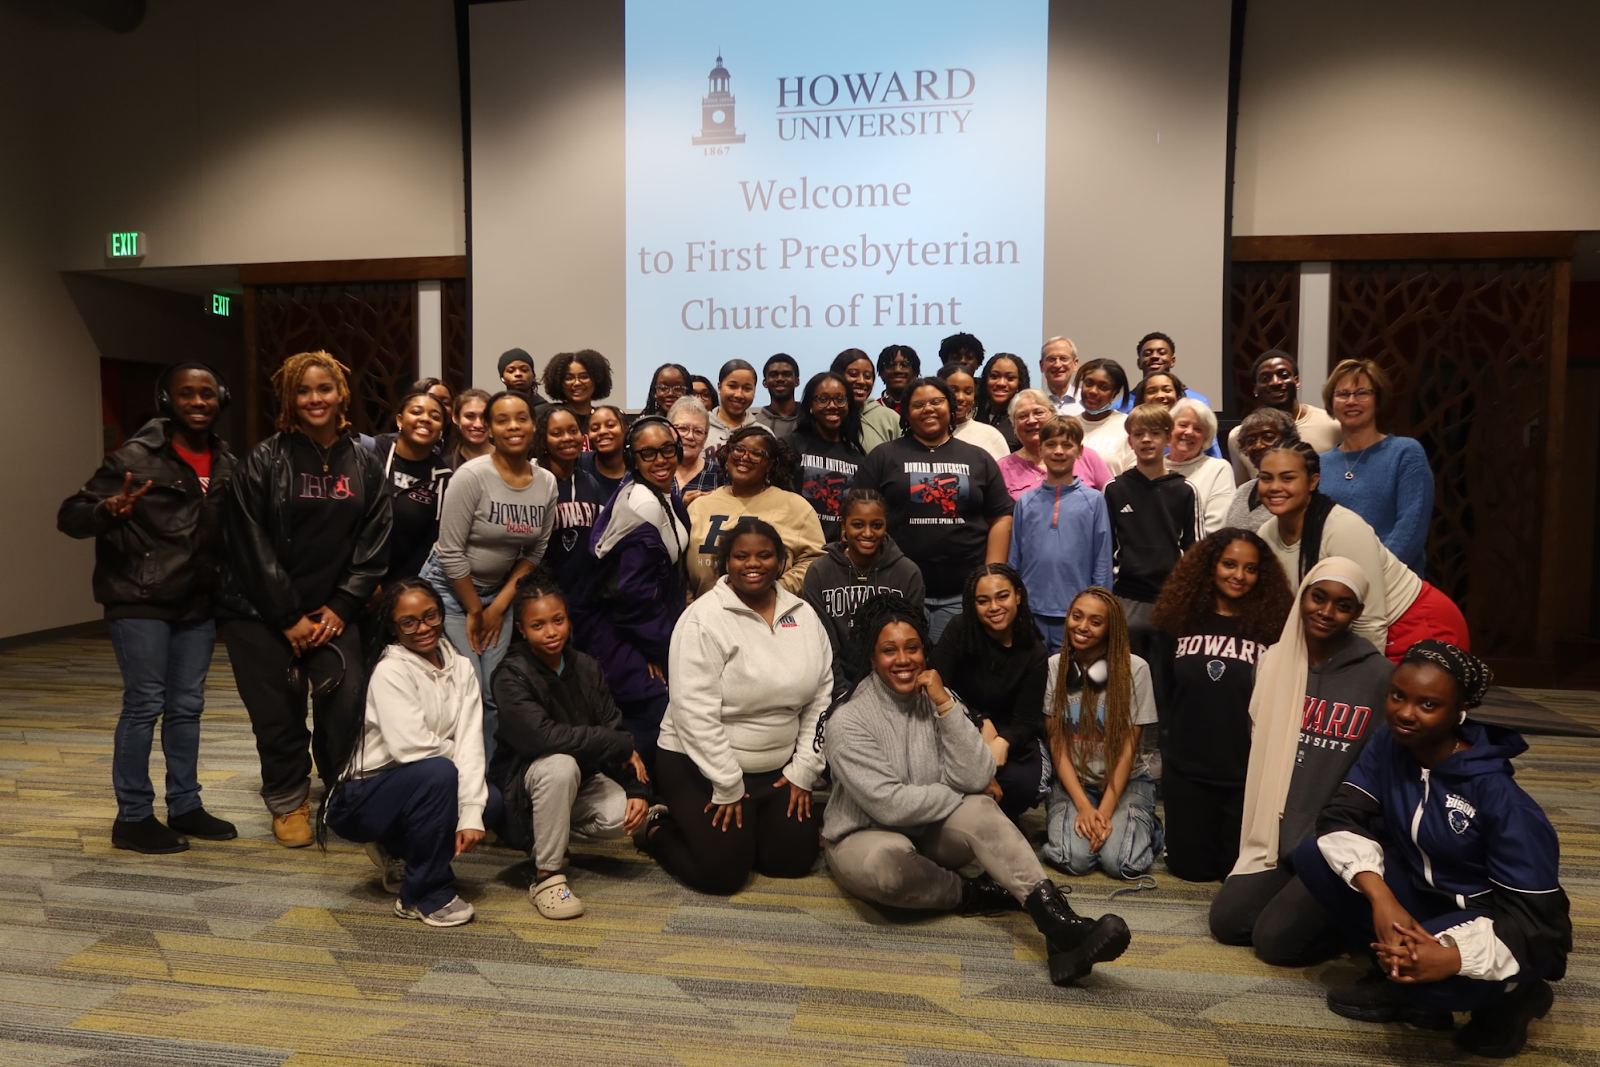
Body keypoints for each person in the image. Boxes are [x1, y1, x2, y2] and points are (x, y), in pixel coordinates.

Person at [819, 593, 1133, 986]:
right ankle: (975, 894)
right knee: (888, 866)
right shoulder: (848, 720)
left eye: (913, 648)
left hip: (927, 827)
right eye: (889, 650)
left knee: (983, 812)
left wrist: (945, 707)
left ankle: (1060, 926)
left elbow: (978, 771)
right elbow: (890, 805)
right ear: (871, 656)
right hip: (862, 835)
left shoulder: (938, 698)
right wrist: (958, 795)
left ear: (925, 651)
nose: (903, 660)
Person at [1300, 641, 1570, 1058]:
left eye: (1428, 704)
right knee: (1313, 855)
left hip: (1493, 920)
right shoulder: (1388, 744)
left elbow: (1541, 927)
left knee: (1430, 980)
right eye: (1397, 696)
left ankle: (1515, 995)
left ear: (1458, 711)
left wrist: (1450, 958)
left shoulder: (1502, 798)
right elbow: (1342, 816)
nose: (1406, 713)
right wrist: (1381, 897)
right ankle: (1396, 972)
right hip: (1419, 894)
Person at [58, 361, 239, 854]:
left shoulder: (227, 462)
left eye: (207, 394)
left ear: (221, 398)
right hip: (139, 598)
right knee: (145, 706)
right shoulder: (134, 456)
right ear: (168, 401)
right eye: (187, 394)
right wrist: (105, 510)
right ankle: (133, 817)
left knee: (186, 709)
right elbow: (70, 516)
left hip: (197, 602)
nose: (198, 402)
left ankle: (185, 804)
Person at [218, 351, 391, 847]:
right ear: (289, 399)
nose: (315, 399)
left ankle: (339, 792)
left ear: (342, 395)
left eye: (325, 389)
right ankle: (289, 798)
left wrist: (341, 606)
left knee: (346, 702)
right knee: (277, 711)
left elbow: (374, 542)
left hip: (336, 612)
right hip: (260, 615)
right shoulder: (263, 460)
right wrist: (289, 616)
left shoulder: (364, 461)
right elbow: (249, 546)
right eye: (304, 391)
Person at [1207, 558, 1392, 965]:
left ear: (1357, 613)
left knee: (1274, 944)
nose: (1327, 612)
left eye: (1343, 605)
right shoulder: (1274, 662)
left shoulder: (1380, 677)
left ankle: (1351, 929)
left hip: (1332, 842)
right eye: (1318, 598)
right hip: (1278, 836)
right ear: (1302, 597)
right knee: (1228, 921)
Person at [642, 519, 832, 895]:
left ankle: (748, 828)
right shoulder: (703, 618)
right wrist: (727, 782)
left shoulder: (804, 615)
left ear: (781, 561)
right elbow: (693, 712)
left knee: (791, 861)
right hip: (700, 765)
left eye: (764, 555)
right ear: (725, 562)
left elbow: (821, 696)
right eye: (741, 556)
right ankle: (657, 827)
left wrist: (803, 771)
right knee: (722, 875)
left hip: (776, 769)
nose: (753, 564)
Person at [325, 578, 485, 928]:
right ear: (392, 628)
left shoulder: (461, 667)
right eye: (408, 622)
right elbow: (413, 748)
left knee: (491, 802)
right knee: (440, 773)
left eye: (430, 616)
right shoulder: (391, 670)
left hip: (414, 784)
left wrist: (473, 811)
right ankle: (423, 895)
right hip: (360, 797)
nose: (423, 628)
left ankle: (397, 846)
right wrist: (459, 756)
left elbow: (472, 737)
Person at [490, 571, 650, 919]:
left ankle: (553, 832)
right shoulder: (510, 674)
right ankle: (547, 875)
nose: (550, 632)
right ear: (521, 629)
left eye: (558, 620)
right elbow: (542, 739)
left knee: (625, 815)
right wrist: (616, 743)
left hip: (579, 781)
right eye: (538, 625)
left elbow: (612, 726)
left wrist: (636, 789)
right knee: (560, 763)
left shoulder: (586, 666)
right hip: (526, 787)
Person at [1148, 529, 1293, 881]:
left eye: (1250, 568)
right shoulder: (1177, 619)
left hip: (1244, 773)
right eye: (1229, 564)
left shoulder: (1274, 628)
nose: (1239, 576)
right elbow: (1164, 694)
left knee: (1235, 872)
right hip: (1187, 770)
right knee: (1190, 871)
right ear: (1210, 565)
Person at [420, 390, 556, 766]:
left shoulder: (545, 482)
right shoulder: (472, 476)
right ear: (491, 430)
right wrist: (473, 608)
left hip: (499, 595)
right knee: (469, 689)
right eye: (502, 420)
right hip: (449, 591)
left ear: (533, 426)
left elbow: (535, 552)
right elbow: (448, 550)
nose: (513, 426)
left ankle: (489, 780)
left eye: (521, 419)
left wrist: (496, 606)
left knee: (496, 690)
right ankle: (457, 778)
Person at [1255, 442, 1468, 660]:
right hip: (1348, 635)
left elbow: (1370, 621)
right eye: (1266, 478)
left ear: (1313, 481)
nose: (1274, 487)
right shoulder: (1266, 534)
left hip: (1411, 624)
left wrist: (1360, 683)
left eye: (1287, 478)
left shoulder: (1343, 528)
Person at [851, 376, 1014, 643]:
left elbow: (1001, 516)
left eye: (936, 402)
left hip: (962, 592)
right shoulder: (883, 456)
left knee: (951, 673)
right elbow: (859, 516)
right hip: (896, 589)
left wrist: (991, 575)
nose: (928, 408)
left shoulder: (977, 457)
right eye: (918, 404)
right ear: (905, 412)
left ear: (950, 408)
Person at [575, 416, 691, 773]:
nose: (660, 460)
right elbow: (632, 594)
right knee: (656, 713)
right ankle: (635, 801)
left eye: (667, 450)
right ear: (633, 459)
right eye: (648, 454)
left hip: (641, 631)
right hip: (621, 636)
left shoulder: (661, 495)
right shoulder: (642, 505)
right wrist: (657, 649)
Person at [1040, 588, 1163, 879]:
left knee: (1121, 864)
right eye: (1077, 616)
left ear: (1111, 629)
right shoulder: (1055, 667)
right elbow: (1056, 744)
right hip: (1074, 783)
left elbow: (1129, 748)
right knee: (1076, 861)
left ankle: (1150, 829)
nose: (1082, 627)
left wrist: (1105, 811)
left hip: (1126, 781)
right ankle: (1106, 827)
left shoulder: (1136, 669)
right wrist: (1083, 807)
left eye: (1095, 622)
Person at [930, 565, 1050, 820]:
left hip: (1009, 733)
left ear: (1017, 595)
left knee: (1022, 784)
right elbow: (937, 687)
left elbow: (1027, 719)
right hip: (958, 724)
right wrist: (977, 721)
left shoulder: (1035, 651)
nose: (994, 607)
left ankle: (999, 818)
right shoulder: (959, 630)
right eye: (983, 601)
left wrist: (1003, 741)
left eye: (1002, 596)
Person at [802, 488, 925, 696]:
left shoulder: (907, 572)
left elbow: (912, 639)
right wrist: (841, 693)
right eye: (858, 525)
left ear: (885, 527)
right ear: (844, 527)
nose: (868, 533)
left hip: (891, 679)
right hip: (836, 679)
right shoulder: (820, 571)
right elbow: (823, 642)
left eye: (876, 525)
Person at [1317, 358, 1433, 576]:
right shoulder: (1319, 464)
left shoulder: (1405, 453)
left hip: (1394, 584)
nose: (1352, 401)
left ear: (1377, 400)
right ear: (1331, 402)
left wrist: (1369, 575)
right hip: (1332, 588)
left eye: (1362, 393)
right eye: (1343, 394)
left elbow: (1411, 528)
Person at [1008, 416, 1113, 653]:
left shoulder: (1094, 500)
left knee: (1071, 683)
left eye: (1067, 445)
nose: (1058, 451)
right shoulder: (1026, 501)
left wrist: (1099, 607)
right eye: (1051, 444)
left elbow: (1103, 560)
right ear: (1041, 449)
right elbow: (1014, 559)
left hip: (1077, 615)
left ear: (1079, 451)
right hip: (1031, 610)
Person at [687, 425, 824, 599]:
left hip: (769, 613)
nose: (744, 457)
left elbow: (815, 561)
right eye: (739, 449)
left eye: (757, 454)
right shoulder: (699, 505)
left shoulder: (795, 506)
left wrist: (776, 590)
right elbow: (681, 568)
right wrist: (691, 605)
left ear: (770, 464)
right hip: (705, 614)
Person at [1102, 404, 1201, 628]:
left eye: (1155, 433)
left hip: (1171, 598)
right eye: (1139, 434)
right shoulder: (1114, 489)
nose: (1147, 440)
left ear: (1168, 439)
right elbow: (1105, 549)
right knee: (1127, 663)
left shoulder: (1185, 490)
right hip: (1126, 597)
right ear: (1130, 441)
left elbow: (1195, 550)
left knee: (1167, 663)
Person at [372, 389, 452, 587]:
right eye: (416, 412)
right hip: (352, 575)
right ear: (399, 420)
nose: (425, 419)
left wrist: (391, 588)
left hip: (401, 585)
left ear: (441, 430)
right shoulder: (372, 453)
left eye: (435, 417)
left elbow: (429, 544)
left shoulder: (444, 479)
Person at [1225, 350, 1341, 483]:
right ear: (1255, 389)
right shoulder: (1239, 437)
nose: (1275, 382)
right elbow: (1243, 493)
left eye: (1284, 375)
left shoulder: (1332, 425)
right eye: (1265, 379)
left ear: (1297, 381)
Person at [536, 405, 607, 595]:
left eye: (573, 431)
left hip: (584, 597)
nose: (567, 438)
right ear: (544, 440)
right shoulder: (534, 481)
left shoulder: (590, 482)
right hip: (543, 595)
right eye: (557, 433)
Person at [787, 371, 865, 541]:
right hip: (796, 546)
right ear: (810, 405)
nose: (832, 406)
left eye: (839, 399)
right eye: (823, 399)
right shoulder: (790, 445)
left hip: (838, 554)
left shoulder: (858, 459)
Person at [998, 389, 1113, 500]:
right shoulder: (1002, 468)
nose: (1031, 420)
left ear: (1053, 415)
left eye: (1038, 412)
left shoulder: (1087, 456)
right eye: (1022, 416)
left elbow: (1112, 498)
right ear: (1014, 425)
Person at [1223, 407, 1299, 531]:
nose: (1258, 445)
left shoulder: (1297, 490)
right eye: (1251, 441)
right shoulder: (1243, 491)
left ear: (1288, 440)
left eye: (1268, 437)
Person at [1167, 398, 1235, 536]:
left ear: (1205, 438)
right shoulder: (1152, 467)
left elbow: (1216, 528)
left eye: (1198, 429)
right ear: (1169, 429)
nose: (1189, 432)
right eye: (1183, 425)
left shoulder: (1218, 469)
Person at [1116, 332, 1214, 412]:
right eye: (1148, 354)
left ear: (1173, 361)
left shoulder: (1198, 402)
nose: (1154, 356)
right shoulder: (1120, 407)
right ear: (1139, 363)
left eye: (1162, 352)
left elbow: (1208, 436)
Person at [832, 348, 902, 452]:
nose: (861, 381)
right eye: (853, 374)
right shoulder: (826, 416)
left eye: (867, 376)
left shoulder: (890, 418)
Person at [937, 362, 1010, 461]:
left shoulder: (991, 436)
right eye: (953, 390)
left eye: (968, 392)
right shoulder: (924, 433)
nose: (961, 398)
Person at [1074, 358, 1133, 473]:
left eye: (1103, 387)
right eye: (1089, 383)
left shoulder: (1127, 427)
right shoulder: (1068, 425)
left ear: (1114, 393)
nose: (1093, 391)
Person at [539, 349, 613, 436]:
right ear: (559, 382)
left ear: (597, 380)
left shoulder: (605, 419)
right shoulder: (544, 415)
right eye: (569, 378)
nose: (577, 383)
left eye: (584, 377)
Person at [667, 395, 720, 503]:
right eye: (682, 428)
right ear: (669, 430)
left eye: (698, 431)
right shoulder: (655, 470)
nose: (690, 436)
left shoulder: (719, 474)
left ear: (705, 438)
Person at [977, 351, 1028, 451]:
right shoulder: (974, 415)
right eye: (994, 376)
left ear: (1019, 383)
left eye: (1010, 378)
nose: (1001, 383)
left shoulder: (1024, 420)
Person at [576, 405, 628, 498]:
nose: (602, 431)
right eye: (595, 428)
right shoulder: (578, 464)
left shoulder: (638, 468)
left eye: (610, 425)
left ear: (626, 429)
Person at [706, 359, 759, 450]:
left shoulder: (763, 433)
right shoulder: (699, 428)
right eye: (732, 386)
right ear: (719, 387)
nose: (739, 395)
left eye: (747, 388)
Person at [751, 352, 800, 438]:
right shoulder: (754, 424)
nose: (780, 379)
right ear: (765, 383)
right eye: (773, 375)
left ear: (797, 381)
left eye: (786, 374)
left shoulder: (811, 420)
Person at [446, 388, 493, 470]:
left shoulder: (509, 460)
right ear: (456, 418)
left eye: (485, 417)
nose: (478, 424)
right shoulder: (445, 466)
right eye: (470, 416)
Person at [1039, 336, 1081, 415]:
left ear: (1075, 364)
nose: (1057, 365)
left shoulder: (1087, 401)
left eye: (1063, 358)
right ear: (1042, 366)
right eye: (1051, 359)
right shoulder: (1033, 402)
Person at [876, 344, 919, 413]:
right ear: (881, 374)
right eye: (891, 365)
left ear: (915, 373)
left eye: (905, 364)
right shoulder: (871, 410)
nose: (897, 370)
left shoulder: (924, 408)